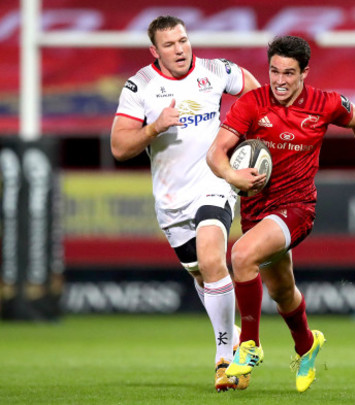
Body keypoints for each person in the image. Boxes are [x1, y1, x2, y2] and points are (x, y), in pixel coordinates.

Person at [206, 35, 355, 392]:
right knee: (283, 292)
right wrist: (231, 174)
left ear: (304, 73)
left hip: (298, 208)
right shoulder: (252, 104)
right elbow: (216, 154)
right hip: (257, 210)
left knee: (240, 255)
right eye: (274, 71)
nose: (280, 80)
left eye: (289, 73)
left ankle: (249, 346)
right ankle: (307, 345)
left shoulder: (325, 103)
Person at [110, 15, 261, 392]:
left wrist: (241, 140)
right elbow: (119, 147)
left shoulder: (216, 70)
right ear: (154, 51)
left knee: (213, 259)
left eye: (183, 40)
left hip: (215, 181)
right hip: (171, 201)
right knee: (202, 275)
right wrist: (154, 127)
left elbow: (257, 96)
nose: (179, 49)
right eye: (169, 45)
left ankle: (226, 358)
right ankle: (231, 334)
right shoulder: (140, 86)